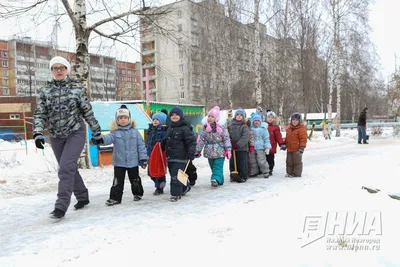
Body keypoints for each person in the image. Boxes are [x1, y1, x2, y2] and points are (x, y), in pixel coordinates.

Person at [33, 56, 102, 219]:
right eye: (55, 68)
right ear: (51, 71)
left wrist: (96, 131)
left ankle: (61, 206)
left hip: (75, 132)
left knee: (65, 168)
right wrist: (38, 133)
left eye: (61, 68)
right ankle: (83, 196)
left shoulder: (76, 88)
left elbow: (87, 111)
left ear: (67, 70)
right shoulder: (45, 90)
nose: (58, 71)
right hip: (56, 135)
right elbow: (40, 113)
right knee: (69, 168)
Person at [91, 105, 148, 206]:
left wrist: (143, 158)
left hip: (133, 161)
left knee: (135, 179)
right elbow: (107, 139)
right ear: (117, 120)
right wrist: (99, 139)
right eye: (120, 118)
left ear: (129, 119)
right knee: (117, 181)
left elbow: (141, 145)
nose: (123, 120)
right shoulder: (114, 132)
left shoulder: (135, 132)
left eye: (125, 118)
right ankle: (115, 198)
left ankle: (138, 193)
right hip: (119, 162)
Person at [162, 106, 197, 202]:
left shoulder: (185, 128)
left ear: (181, 116)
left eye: (176, 115)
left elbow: (191, 141)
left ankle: (175, 194)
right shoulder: (170, 128)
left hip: (181, 156)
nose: (174, 116)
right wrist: (162, 144)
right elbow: (166, 139)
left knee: (175, 176)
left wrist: (191, 152)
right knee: (175, 175)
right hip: (170, 156)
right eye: (172, 115)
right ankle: (185, 186)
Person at [196, 106, 232, 187]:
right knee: (213, 167)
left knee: (217, 167)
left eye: (212, 116)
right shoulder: (206, 128)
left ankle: (215, 179)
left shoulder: (221, 128)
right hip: (209, 151)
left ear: (216, 118)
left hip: (220, 150)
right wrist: (197, 150)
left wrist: (228, 149)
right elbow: (202, 140)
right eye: (209, 116)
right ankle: (220, 180)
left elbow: (226, 138)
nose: (210, 118)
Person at [146, 111, 168, 195]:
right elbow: (148, 142)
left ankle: (159, 187)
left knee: (158, 171)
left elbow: (164, 142)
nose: (155, 121)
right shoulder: (150, 130)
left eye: (157, 119)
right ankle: (158, 183)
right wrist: (147, 153)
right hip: (151, 154)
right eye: (154, 119)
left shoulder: (163, 131)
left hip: (159, 154)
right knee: (150, 172)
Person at [228, 108, 250, 183]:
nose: (239, 116)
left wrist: (238, 144)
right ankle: (233, 175)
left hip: (242, 148)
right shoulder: (230, 126)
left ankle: (243, 176)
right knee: (233, 162)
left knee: (242, 162)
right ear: (235, 116)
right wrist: (230, 142)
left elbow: (246, 137)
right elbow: (227, 135)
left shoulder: (244, 126)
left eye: (241, 115)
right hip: (232, 148)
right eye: (237, 115)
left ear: (243, 117)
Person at [284, 113, 307, 177]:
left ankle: (296, 173)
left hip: (297, 149)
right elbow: (287, 138)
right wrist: (284, 144)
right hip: (289, 149)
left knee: (297, 162)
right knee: (289, 161)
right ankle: (289, 172)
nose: (294, 121)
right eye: (293, 120)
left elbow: (303, 139)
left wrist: (302, 147)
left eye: (296, 120)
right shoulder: (289, 129)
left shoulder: (301, 129)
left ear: (299, 121)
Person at [249, 112, 272, 178]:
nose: (256, 122)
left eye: (258, 120)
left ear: (260, 121)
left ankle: (265, 171)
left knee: (261, 160)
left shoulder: (263, 129)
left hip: (260, 147)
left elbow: (266, 138)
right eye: (255, 121)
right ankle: (254, 172)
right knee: (252, 161)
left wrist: (267, 147)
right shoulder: (250, 129)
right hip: (252, 147)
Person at [265, 110, 285, 176]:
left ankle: (270, 169)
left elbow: (278, 136)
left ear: (274, 119)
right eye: (269, 117)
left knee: (270, 158)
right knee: (263, 158)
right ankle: (264, 169)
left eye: (272, 117)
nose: (270, 119)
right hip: (264, 146)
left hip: (272, 146)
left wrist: (281, 144)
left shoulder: (275, 127)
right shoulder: (263, 126)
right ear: (266, 118)